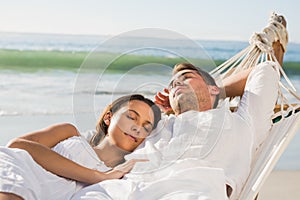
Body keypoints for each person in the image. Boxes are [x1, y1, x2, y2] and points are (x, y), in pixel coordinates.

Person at [72, 15, 287, 200]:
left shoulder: (243, 122)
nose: (175, 84)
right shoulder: (158, 126)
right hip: (122, 189)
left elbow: (265, 71)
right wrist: (163, 111)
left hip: (189, 190)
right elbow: (113, 139)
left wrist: (216, 90)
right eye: (172, 84)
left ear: (213, 89)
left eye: (186, 78)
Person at [0, 94, 161, 200]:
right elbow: (17, 145)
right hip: (19, 174)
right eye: (131, 117)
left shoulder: (124, 174)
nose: (137, 128)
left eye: (146, 127)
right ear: (108, 118)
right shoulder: (70, 133)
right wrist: (97, 176)